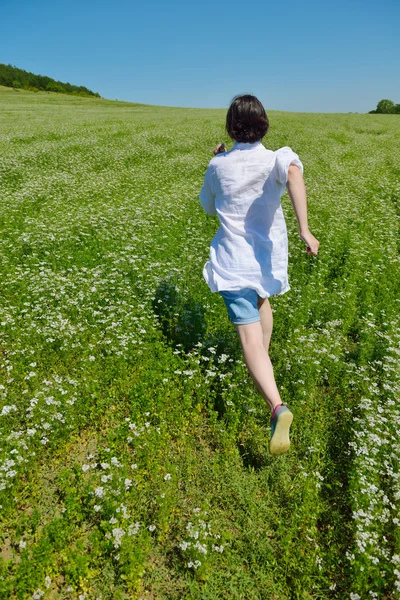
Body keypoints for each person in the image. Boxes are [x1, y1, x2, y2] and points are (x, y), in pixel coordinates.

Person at [199, 94, 320, 455]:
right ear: (263, 123)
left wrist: (219, 160)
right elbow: (295, 175)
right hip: (266, 263)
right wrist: (305, 229)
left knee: (250, 343)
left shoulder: (218, 166)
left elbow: (207, 206)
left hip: (233, 264)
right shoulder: (277, 158)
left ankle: (276, 407)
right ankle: (260, 369)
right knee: (262, 308)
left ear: (230, 126)